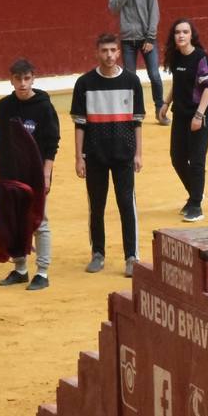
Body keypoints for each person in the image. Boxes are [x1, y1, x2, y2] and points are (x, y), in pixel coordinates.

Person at [71, 34, 144, 274]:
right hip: (95, 155)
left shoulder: (132, 82)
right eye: (105, 51)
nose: (109, 55)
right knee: (97, 206)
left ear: (119, 52)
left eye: (113, 50)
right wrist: (78, 156)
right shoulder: (84, 83)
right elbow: (80, 124)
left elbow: (137, 123)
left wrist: (138, 154)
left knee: (126, 205)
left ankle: (131, 256)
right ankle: (98, 253)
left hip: (124, 154)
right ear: (97, 52)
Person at [0, 59, 59, 289]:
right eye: (18, 79)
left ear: (33, 78)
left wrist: (47, 174)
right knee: (13, 221)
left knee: (39, 220)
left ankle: (42, 272)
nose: (22, 83)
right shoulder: (3, 106)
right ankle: (20, 268)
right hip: (10, 171)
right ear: (11, 80)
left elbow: (52, 142)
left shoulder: (43, 106)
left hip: (35, 172)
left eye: (27, 78)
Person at [165, 20, 208, 221]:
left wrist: (199, 115)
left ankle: (196, 204)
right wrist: (165, 103)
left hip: (198, 115)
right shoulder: (176, 57)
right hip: (179, 114)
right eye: (177, 32)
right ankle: (195, 192)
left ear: (191, 35)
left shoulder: (202, 58)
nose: (181, 36)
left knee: (196, 160)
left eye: (185, 32)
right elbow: (177, 84)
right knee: (177, 157)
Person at [108, 0, 165, 121]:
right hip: (127, 40)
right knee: (130, 78)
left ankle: (160, 111)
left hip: (146, 39)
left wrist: (150, 38)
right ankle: (133, 113)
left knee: (154, 75)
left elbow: (154, 13)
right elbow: (113, 9)